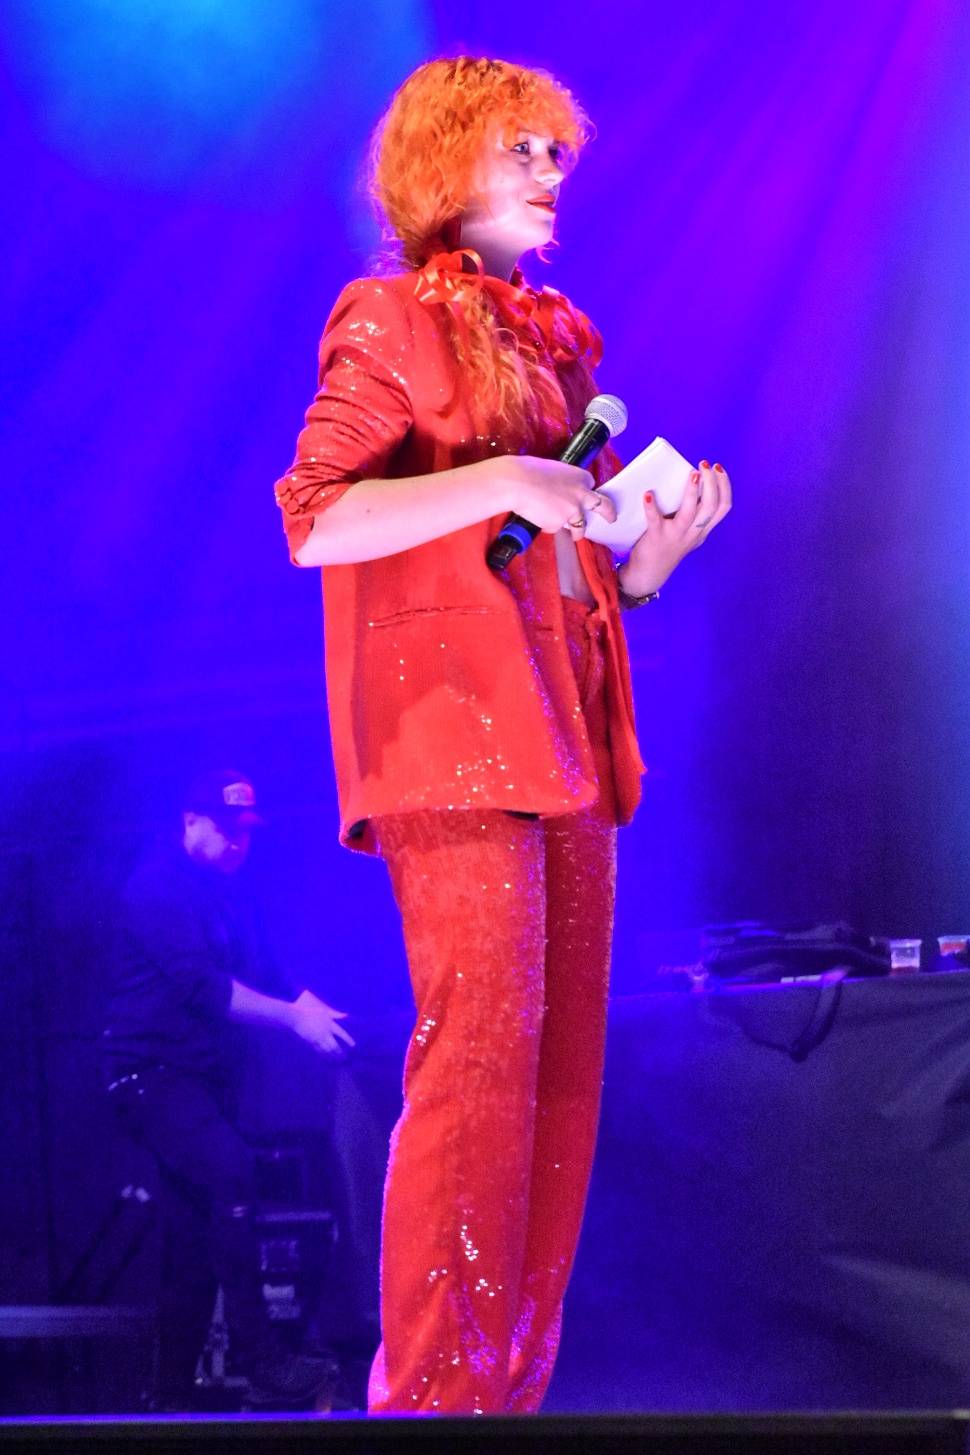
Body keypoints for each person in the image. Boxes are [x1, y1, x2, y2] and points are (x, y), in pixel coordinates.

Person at [273, 56, 731, 1415]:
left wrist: (648, 561)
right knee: (474, 1073)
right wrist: (507, 477)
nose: (548, 172)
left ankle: (508, 1399)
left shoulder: (548, 347)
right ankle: (431, 1402)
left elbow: (565, 573)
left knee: (557, 1086)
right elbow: (316, 513)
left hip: (563, 741)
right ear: (443, 159)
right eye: (519, 147)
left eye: (554, 152)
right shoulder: (389, 317)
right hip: (453, 738)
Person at [103, 768, 354, 1409]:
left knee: (192, 1231)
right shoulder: (154, 888)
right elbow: (206, 991)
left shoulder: (228, 891)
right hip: (148, 1077)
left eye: (246, 829)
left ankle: (169, 1392)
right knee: (232, 1170)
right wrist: (293, 1020)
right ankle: (260, 1359)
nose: (240, 841)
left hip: (198, 1083)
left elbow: (264, 967)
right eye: (227, 828)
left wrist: (311, 1008)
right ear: (190, 822)